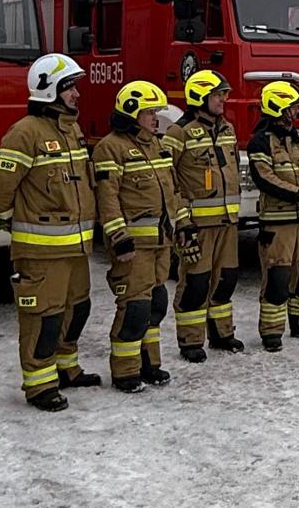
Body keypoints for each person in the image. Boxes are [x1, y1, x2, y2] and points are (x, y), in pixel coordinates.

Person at [0, 53, 102, 411]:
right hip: (41, 251)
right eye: (70, 88)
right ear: (48, 90)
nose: (77, 95)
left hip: (75, 249)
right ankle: (39, 384)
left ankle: (67, 368)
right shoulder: (25, 133)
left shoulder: (71, 130)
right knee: (43, 318)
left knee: (76, 310)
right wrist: (12, 217)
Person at [93, 81, 194, 393]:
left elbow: (173, 193)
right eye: (150, 112)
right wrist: (118, 235)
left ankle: (150, 363)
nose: (155, 118)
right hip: (133, 247)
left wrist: (184, 224)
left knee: (155, 304)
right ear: (131, 113)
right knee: (135, 308)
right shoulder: (109, 148)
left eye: (156, 112)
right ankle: (125, 371)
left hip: (161, 243)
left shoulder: (157, 145)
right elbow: (107, 198)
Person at [166, 70, 243, 363]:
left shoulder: (227, 129)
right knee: (196, 284)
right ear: (200, 97)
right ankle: (190, 340)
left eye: (224, 93)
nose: (224, 99)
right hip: (197, 225)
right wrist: (182, 219)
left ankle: (221, 333)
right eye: (217, 94)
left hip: (227, 222)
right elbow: (168, 180)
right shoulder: (178, 133)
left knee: (226, 279)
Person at [245, 82, 299, 352]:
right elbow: (264, 177)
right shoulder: (261, 141)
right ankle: (271, 331)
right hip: (278, 221)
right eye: (292, 107)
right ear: (278, 108)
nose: (296, 112)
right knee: (277, 278)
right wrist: (298, 194)